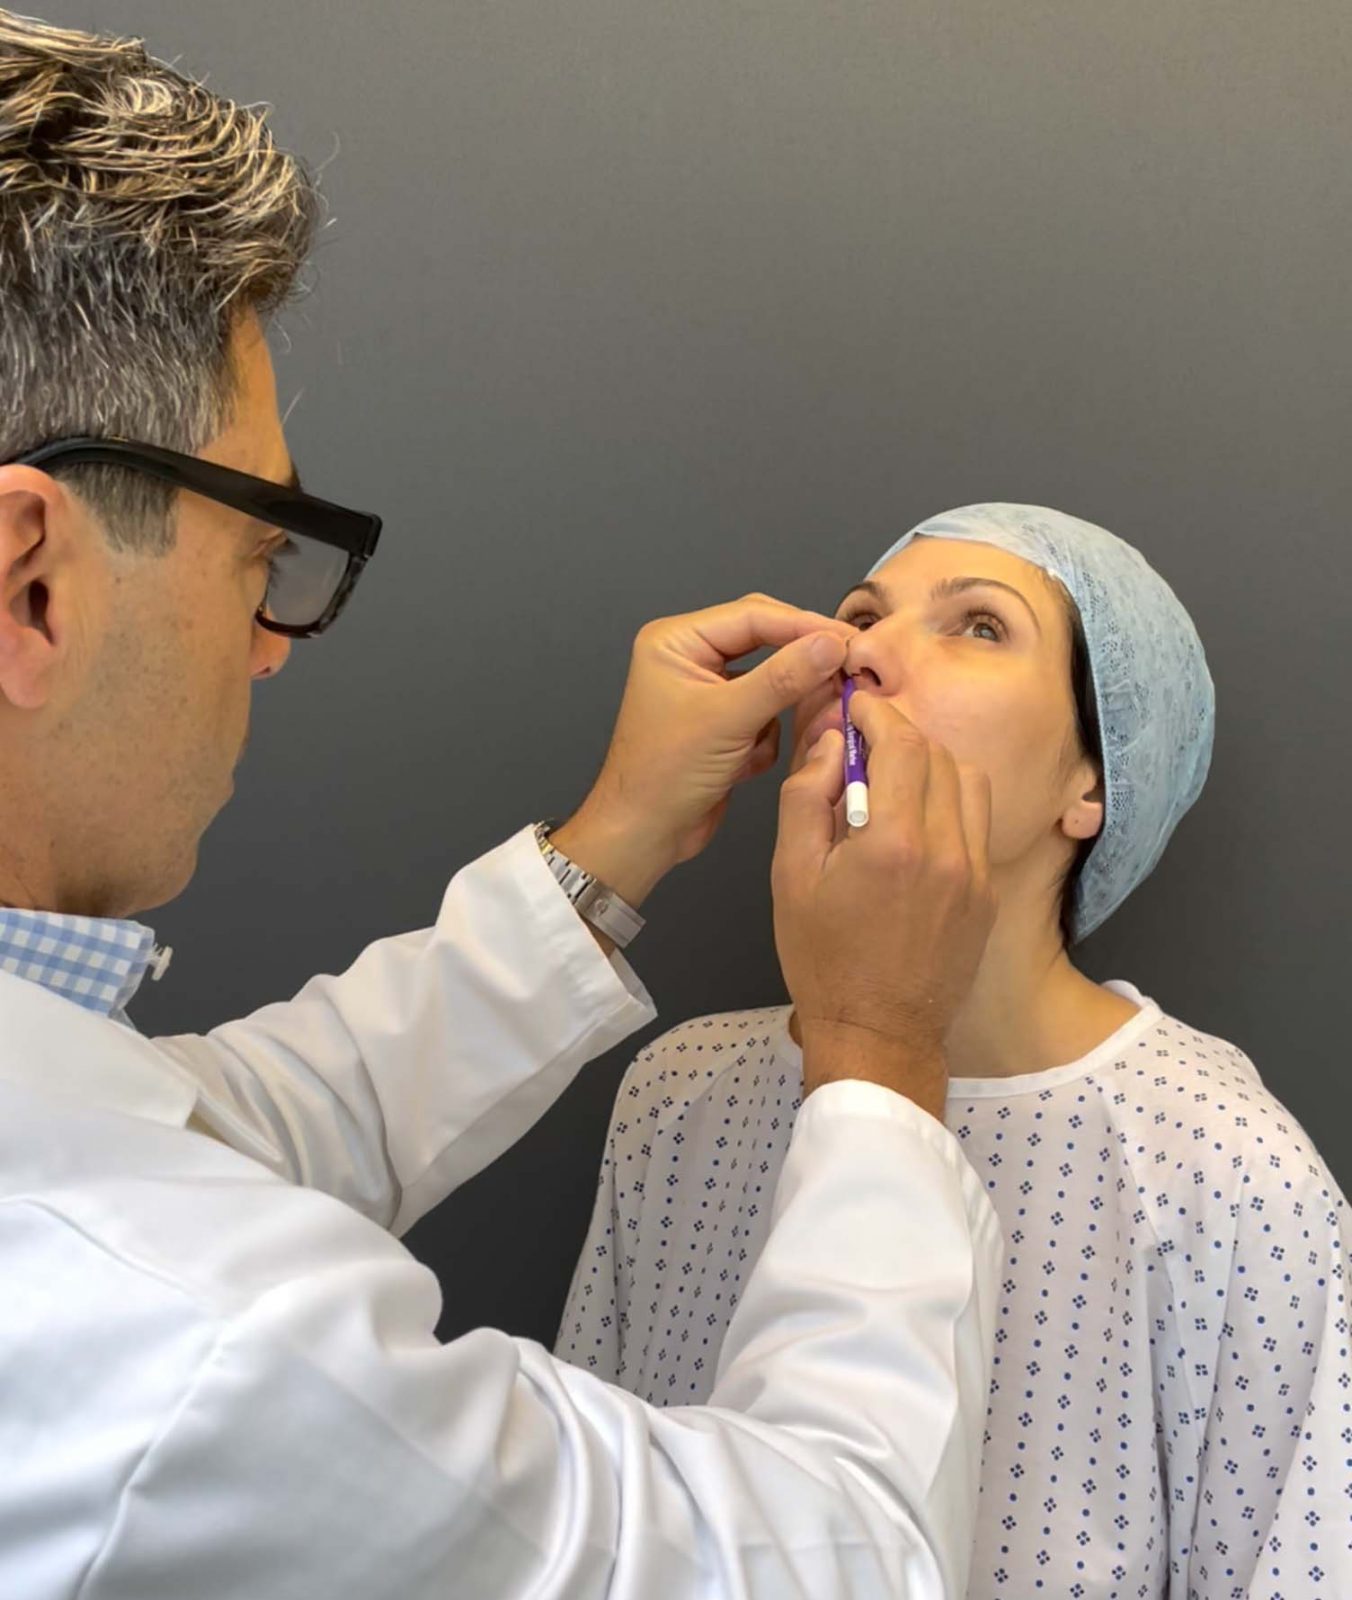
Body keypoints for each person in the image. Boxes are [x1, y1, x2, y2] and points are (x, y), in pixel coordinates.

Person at [0, 14, 1006, 1598]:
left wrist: (606, 852)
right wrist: (880, 1045)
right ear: (31, 585)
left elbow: (241, 1129)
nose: (271, 644)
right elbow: (845, 1562)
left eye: (985, 627)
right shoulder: (181, 1337)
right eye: (264, 551)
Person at [558, 503, 1352, 1599]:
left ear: (1093, 782)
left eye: (979, 626)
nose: (863, 651)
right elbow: (580, 1520)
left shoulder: (1224, 1174)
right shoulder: (678, 1094)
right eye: (858, 616)